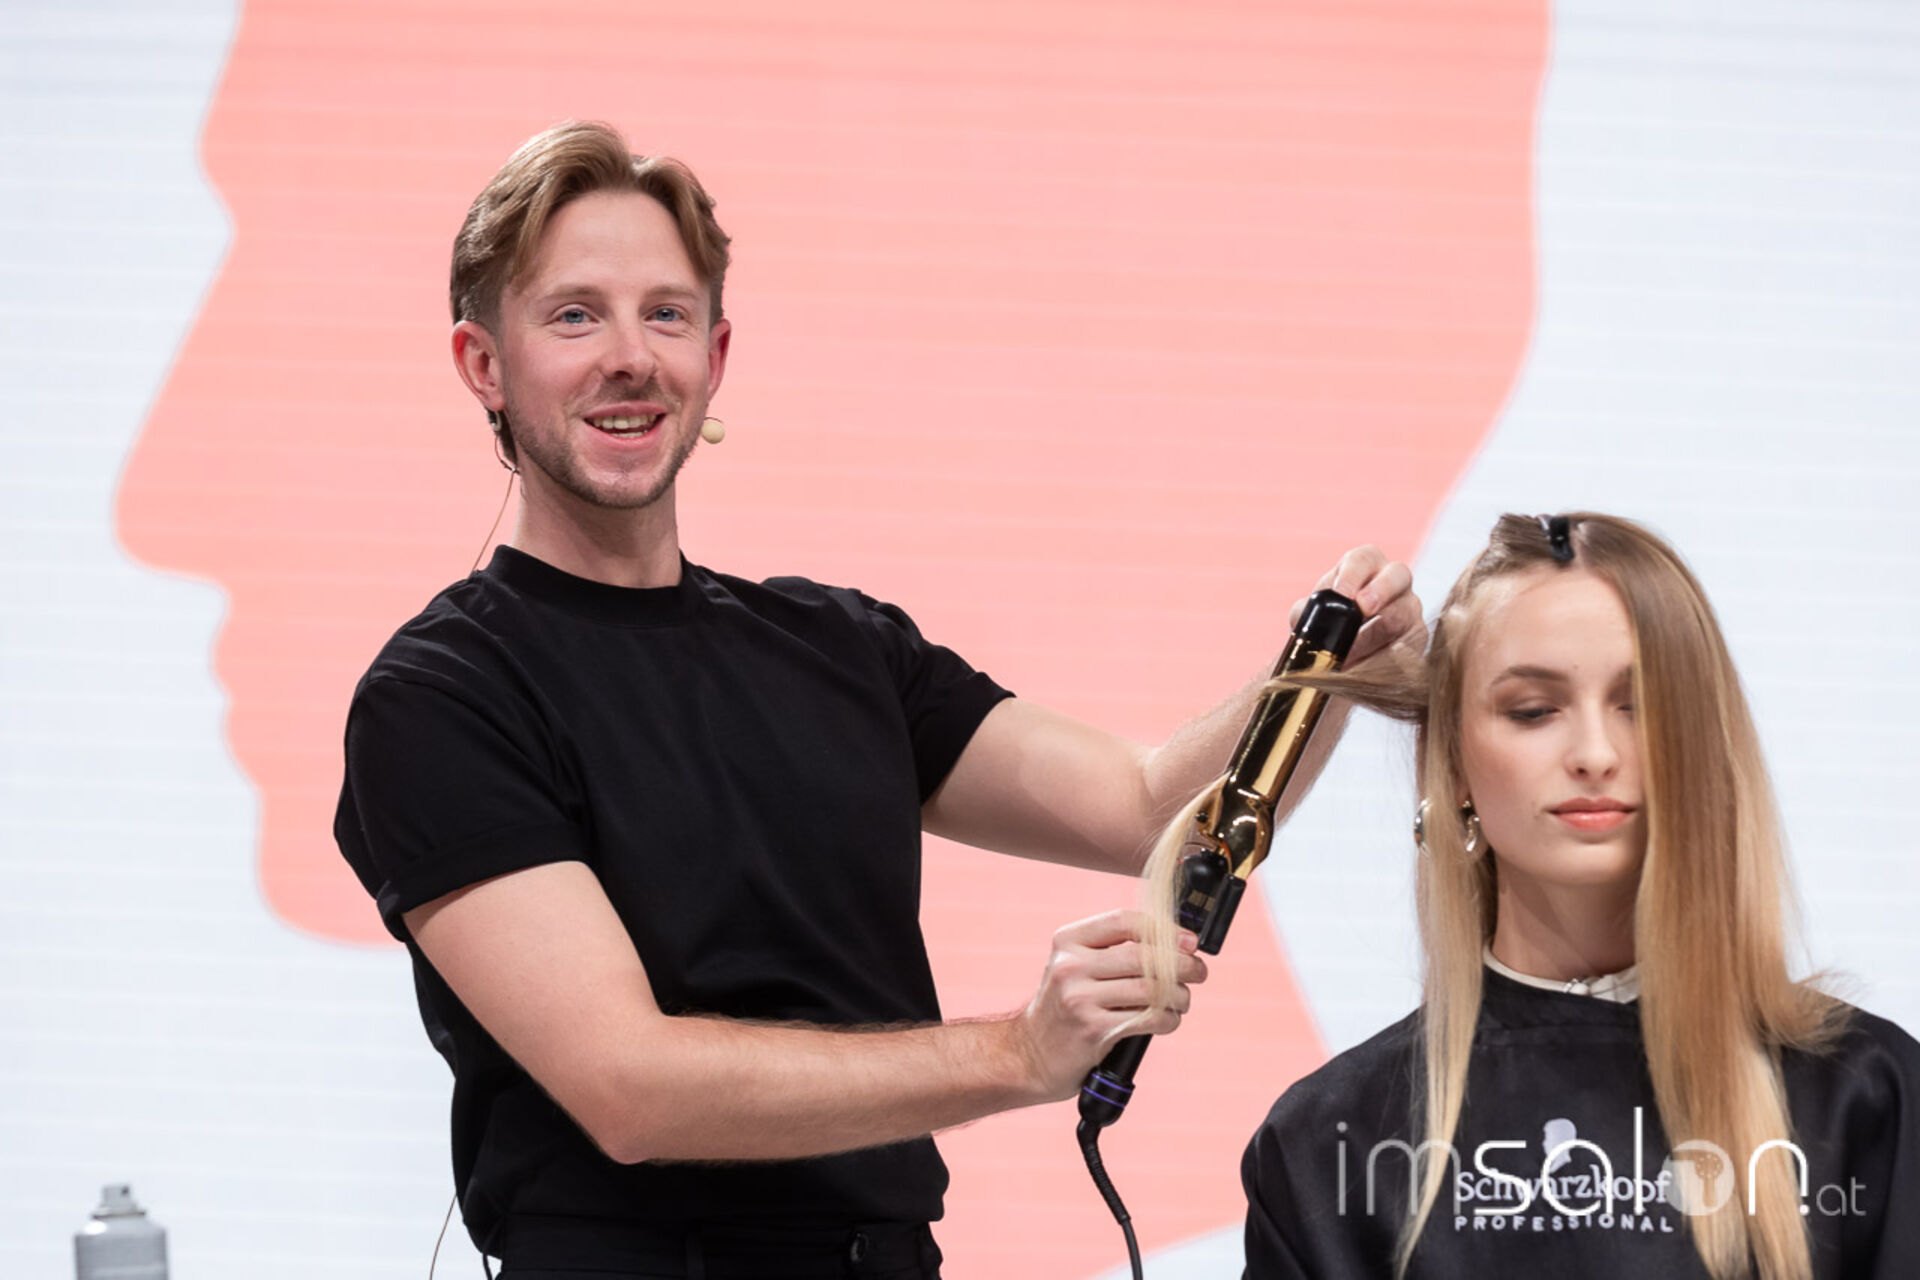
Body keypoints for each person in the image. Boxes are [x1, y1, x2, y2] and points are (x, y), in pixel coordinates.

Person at [332, 119, 1422, 1279]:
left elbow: (1146, 806)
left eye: (667, 313)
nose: (631, 357)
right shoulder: (441, 697)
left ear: (716, 354)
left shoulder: (839, 645)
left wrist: (1322, 669)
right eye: (573, 316)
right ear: (483, 364)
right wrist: (1019, 1051)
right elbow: (630, 1087)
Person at [1143, 512, 1920, 1278]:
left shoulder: (1868, 1098)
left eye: (1643, 706)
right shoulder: (1334, 1144)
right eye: (1534, 710)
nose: (1594, 753)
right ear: (1452, 762)